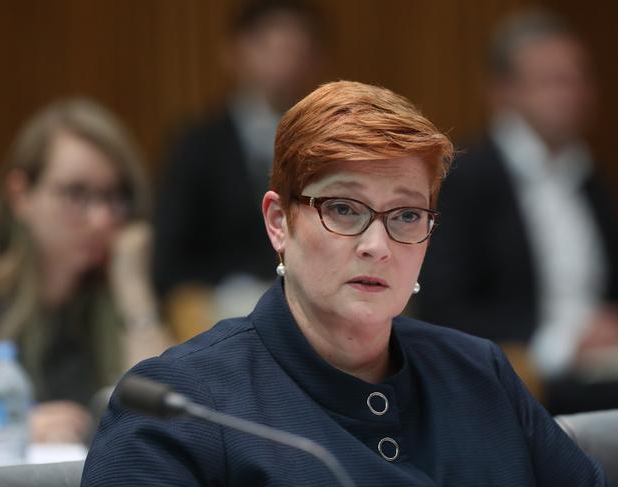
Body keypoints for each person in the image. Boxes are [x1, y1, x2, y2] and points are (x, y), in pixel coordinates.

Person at [83, 81, 606, 485]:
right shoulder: (179, 407)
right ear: (279, 223)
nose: (377, 244)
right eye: (343, 208)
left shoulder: (480, 374)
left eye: (405, 215)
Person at [415, 10, 618, 414]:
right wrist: (562, 344)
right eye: (553, 81)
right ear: (503, 91)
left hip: (602, 364)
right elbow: (443, 309)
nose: (573, 93)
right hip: (520, 377)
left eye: (580, 79)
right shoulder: (464, 178)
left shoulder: (590, 176)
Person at [0, 99, 171, 444]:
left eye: (114, 197)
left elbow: (168, 423)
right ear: (21, 196)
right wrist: (8, 436)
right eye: (77, 194)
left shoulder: (114, 301)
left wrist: (133, 290)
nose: (102, 219)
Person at [152, 0, 324, 339]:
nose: (284, 63)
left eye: (295, 49)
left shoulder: (325, 145)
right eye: (270, 47)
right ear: (235, 53)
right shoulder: (197, 144)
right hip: (217, 311)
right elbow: (169, 259)